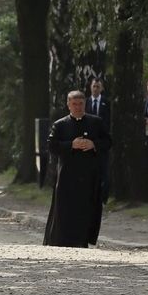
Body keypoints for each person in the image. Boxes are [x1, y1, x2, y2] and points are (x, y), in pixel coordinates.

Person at [43, 90, 111, 248]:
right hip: (67, 175)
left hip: (89, 174)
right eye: (74, 104)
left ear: (85, 104)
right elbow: (52, 145)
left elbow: (108, 141)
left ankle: (83, 239)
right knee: (65, 209)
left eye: (81, 104)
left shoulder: (96, 122)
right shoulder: (60, 125)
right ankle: (62, 239)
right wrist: (70, 145)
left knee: (87, 208)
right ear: (68, 105)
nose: (78, 107)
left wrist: (93, 144)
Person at [88, 78, 113, 204]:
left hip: (102, 142)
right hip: (88, 142)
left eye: (98, 86)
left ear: (102, 88)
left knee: (104, 171)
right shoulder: (86, 103)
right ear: (90, 88)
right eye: (94, 86)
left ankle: (104, 198)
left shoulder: (107, 103)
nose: (96, 89)